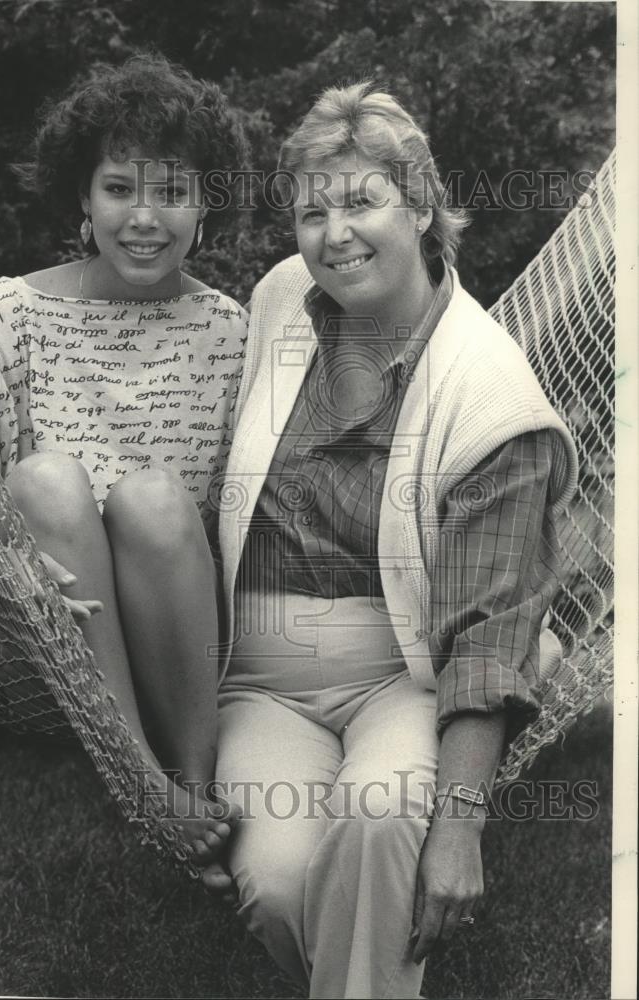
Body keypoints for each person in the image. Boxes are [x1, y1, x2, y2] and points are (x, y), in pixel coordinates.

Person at [211, 82, 579, 997]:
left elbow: (488, 637)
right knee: (285, 883)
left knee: (380, 821)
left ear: (419, 204)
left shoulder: (489, 398)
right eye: (311, 210)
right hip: (259, 682)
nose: (334, 234)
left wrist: (457, 823)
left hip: (404, 674)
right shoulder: (280, 300)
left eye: (361, 200)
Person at [0, 53, 249, 884]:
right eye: (120, 188)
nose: (144, 218)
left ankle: (191, 777)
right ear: (82, 196)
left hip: (182, 628)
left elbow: (248, 509)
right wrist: (1, 561)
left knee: (151, 496)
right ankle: (143, 781)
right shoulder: (3, 317)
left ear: (203, 202)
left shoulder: (229, 332)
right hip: (40, 631)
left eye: (172, 191)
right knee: (43, 479)